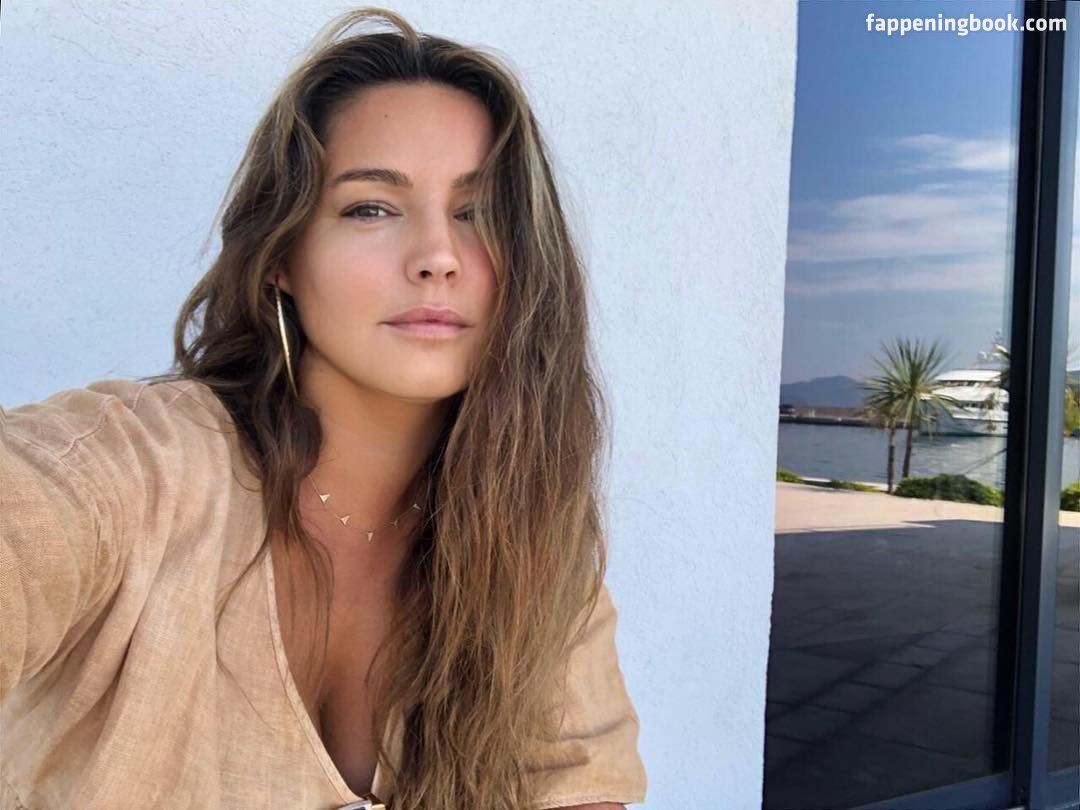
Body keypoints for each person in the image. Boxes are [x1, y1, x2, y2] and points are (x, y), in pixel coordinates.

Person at [0, 7, 646, 809]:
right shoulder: (135, 471)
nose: (438, 257)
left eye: (478, 213)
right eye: (371, 207)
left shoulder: (531, 536)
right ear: (280, 255)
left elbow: (574, 787)